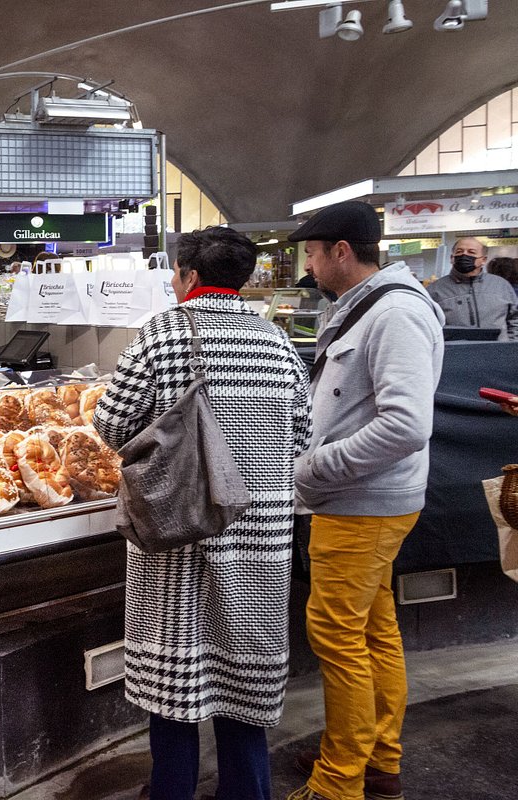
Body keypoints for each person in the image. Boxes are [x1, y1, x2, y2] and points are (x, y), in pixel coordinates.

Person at [92, 226, 312, 800]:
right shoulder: (276, 342)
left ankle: (171, 792)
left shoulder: (161, 335)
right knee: (243, 683)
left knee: (175, 688)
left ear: (188, 275)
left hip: (175, 532)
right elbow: (302, 434)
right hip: (257, 540)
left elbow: (111, 423)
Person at [285, 201, 444, 800]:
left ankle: (338, 783)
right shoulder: (369, 309)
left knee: (337, 637)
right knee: (373, 634)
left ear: (341, 253)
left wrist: (312, 467)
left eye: (312, 253)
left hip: (361, 502)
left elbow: (405, 425)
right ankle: (376, 760)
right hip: (358, 501)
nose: (309, 265)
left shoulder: (395, 314)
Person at [425, 236, 518, 340]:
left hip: (499, 352)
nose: (464, 255)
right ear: (452, 258)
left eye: (471, 252)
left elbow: (514, 318)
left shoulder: (501, 285)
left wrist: (512, 346)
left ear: (483, 260)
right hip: (455, 353)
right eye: (459, 251)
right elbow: (428, 325)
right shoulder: (435, 290)